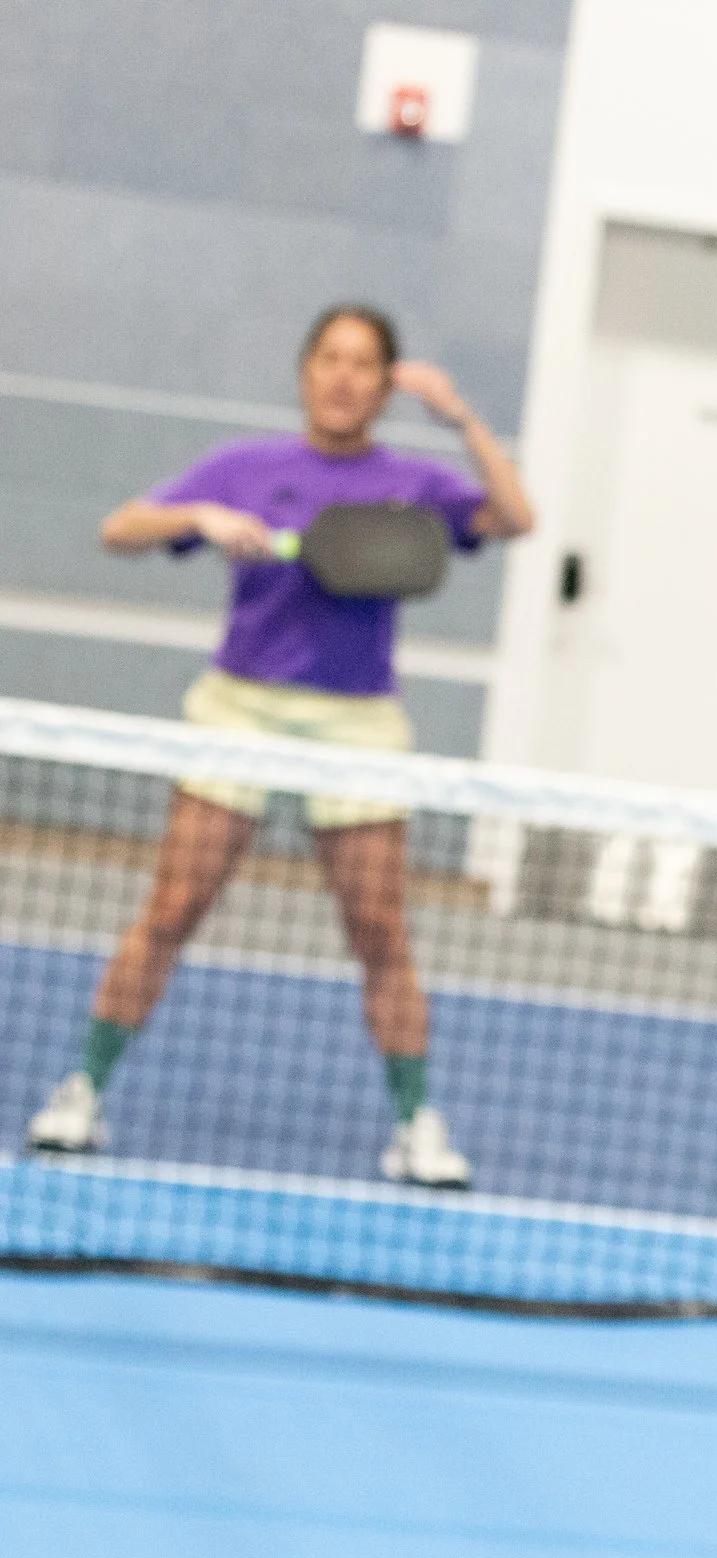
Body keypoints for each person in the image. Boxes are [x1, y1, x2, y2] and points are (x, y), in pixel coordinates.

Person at [22, 303, 535, 1188]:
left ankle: (417, 1123)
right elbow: (120, 528)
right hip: (240, 711)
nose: (342, 376)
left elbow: (516, 516)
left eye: (363, 362)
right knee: (175, 907)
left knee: (380, 929)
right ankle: (81, 1090)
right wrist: (201, 517)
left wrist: (459, 418)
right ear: (305, 372)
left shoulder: (412, 480)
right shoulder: (243, 466)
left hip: (359, 722)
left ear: (385, 383)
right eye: (328, 358)